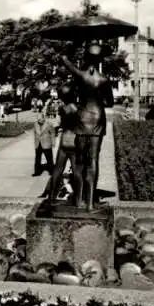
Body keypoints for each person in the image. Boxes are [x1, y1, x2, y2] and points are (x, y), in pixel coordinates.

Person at [60, 41, 114, 211]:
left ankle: (78, 200)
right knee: (94, 160)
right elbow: (109, 102)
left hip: (82, 118)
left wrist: (71, 45)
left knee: (80, 161)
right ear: (100, 60)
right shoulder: (104, 80)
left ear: (86, 57)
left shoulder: (80, 75)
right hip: (98, 119)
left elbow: (64, 59)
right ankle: (90, 203)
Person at [39, 83, 77, 199]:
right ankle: (76, 195)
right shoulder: (77, 108)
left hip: (63, 139)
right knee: (75, 170)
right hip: (74, 140)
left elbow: (58, 122)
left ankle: (51, 195)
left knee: (59, 169)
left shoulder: (62, 108)